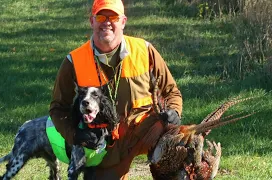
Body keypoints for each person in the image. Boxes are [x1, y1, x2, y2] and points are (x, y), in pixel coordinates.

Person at [49, 0, 183, 179]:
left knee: (182, 152)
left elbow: (171, 91)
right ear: (92, 21)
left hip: (147, 131)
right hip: (105, 142)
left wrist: (174, 111)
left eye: (113, 16)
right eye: (100, 16)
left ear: (123, 21)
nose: (106, 22)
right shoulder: (74, 61)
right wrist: (74, 134)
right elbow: (58, 108)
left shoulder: (144, 50)